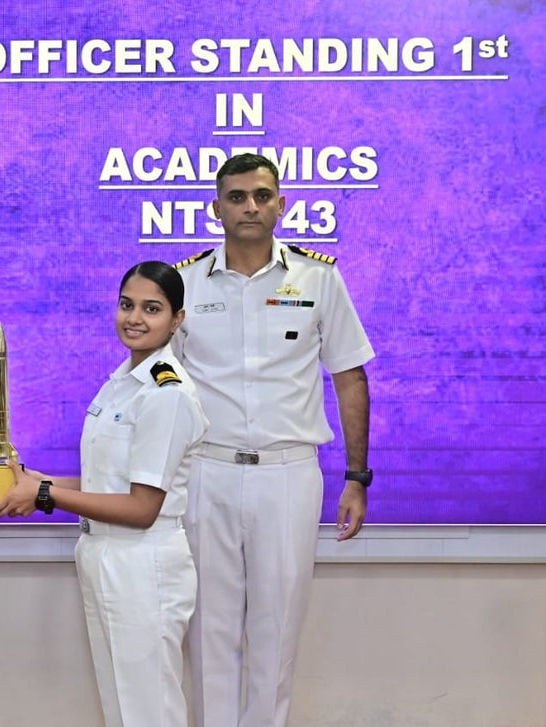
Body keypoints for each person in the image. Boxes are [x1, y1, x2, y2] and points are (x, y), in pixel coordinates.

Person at [172, 153, 374, 727]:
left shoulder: (319, 278)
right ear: (216, 209)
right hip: (205, 472)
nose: (250, 207)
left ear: (282, 205)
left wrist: (357, 477)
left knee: (277, 631)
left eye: (262, 195)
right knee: (208, 633)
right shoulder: (182, 284)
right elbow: (159, 389)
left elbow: (350, 375)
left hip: (288, 474)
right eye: (237, 197)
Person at [0, 261, 208, 727]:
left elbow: (142, 507)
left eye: (152, 309)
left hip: (142, 561)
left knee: (148, 710)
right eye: (127, 305)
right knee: (120, 705)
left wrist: (44, 493)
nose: (135, 318)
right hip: (104, 553)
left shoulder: (165, 393)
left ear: (177, 319)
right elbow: (107, 483)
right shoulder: (123, 381)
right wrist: (27, 478)